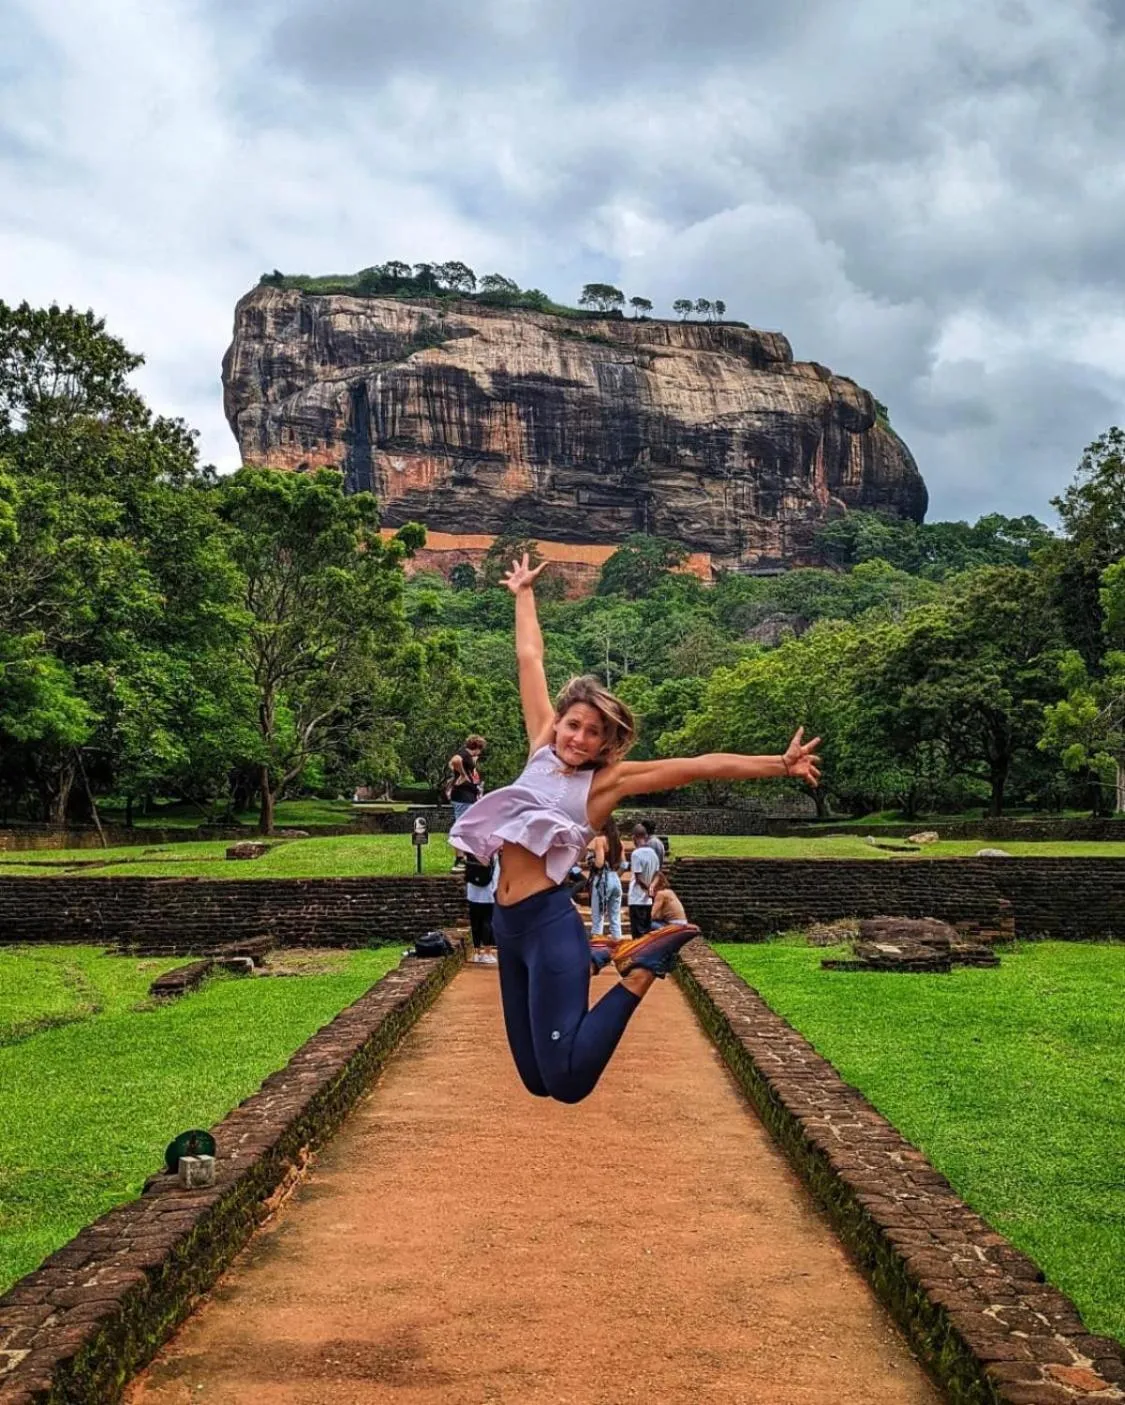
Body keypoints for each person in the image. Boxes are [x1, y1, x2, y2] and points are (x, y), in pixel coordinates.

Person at [449, 554, 821, 1106]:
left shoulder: (603, 785)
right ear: (559, 722)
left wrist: (778, 764)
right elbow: (530, 658)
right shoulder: (540, 748)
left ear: (606, 743)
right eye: (573, 724)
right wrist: (523, 592)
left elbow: (695, 766)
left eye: (592, 733)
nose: (578, 738)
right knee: (535, 1080)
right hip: (509, 927)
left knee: (567, 1084)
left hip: (548, 924)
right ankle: (599, 952)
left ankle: (645, 963)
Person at [448, 734, 485, 870]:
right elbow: (455, 761)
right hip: (463, 797)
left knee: (469, 826)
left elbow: (452, 764)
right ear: (477, 748)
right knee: (462, 827)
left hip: (467, 796)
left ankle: (468, 857)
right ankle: (460, 859)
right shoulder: (464, 755)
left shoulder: (469, 757)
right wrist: (463, 774)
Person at [589, 818, 624, 940]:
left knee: (598, 918)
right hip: (615, 878)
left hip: (603, 880)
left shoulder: (600, 840)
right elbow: (624, 864)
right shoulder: (619, 842)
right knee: (615, 918)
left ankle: (598, 947)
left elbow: (599, 863)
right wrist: (616, 875)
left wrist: (591, 860)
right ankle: (618, 946)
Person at [464, 853, 498, 965]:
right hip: (488, 894)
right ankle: (487, 953)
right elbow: (496, 875)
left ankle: (476, 953)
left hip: (472, 893)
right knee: (487, 922)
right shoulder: (493, 854)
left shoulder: (471, 852)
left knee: (475, 923)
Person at [627, 829, 659, 937]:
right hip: (648, 900)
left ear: (635, 837)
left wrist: (647, 888)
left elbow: (638, 878)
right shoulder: (653, 854)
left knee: (637, 934)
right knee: (646, 932)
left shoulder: (636, 854)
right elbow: (657, 874)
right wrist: (651, 887)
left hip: (636, 898)